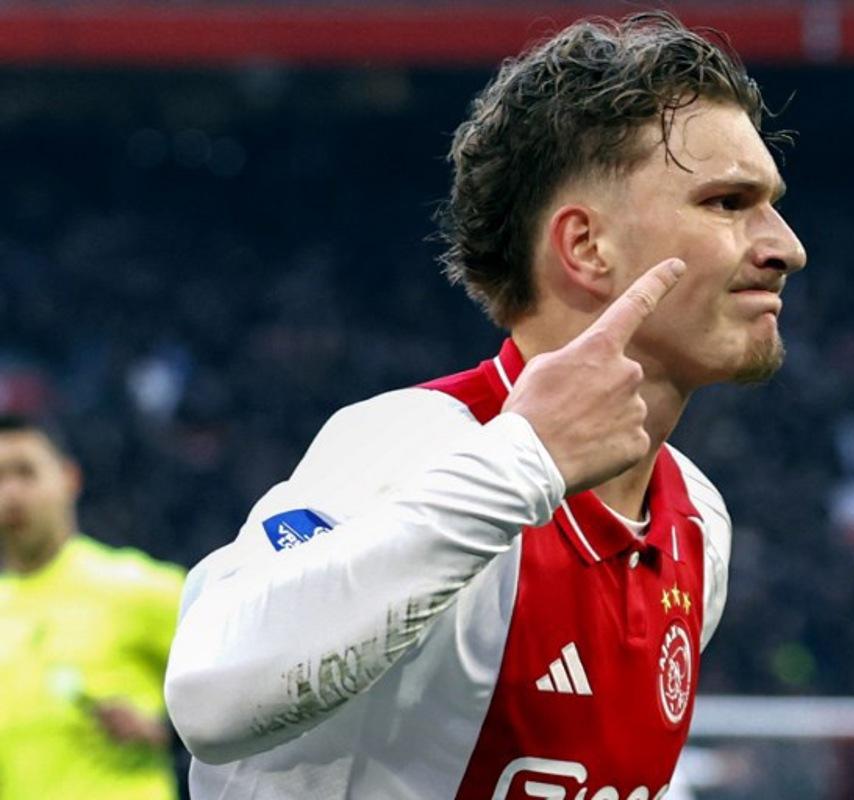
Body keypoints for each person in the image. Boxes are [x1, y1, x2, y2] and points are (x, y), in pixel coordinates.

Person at [166, 11, 805, 799]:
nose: (785, 246)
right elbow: (208, 693)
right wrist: (522, 462)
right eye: (727, 202)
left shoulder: (696, 520)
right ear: (585, 248)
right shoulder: (420, 442)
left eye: (770, 203)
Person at [0, 415, 184, 799]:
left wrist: (166, 735)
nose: (11, 494)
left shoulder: (138, 587)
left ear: (69, 478)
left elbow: (246, 691)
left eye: (26, 473)